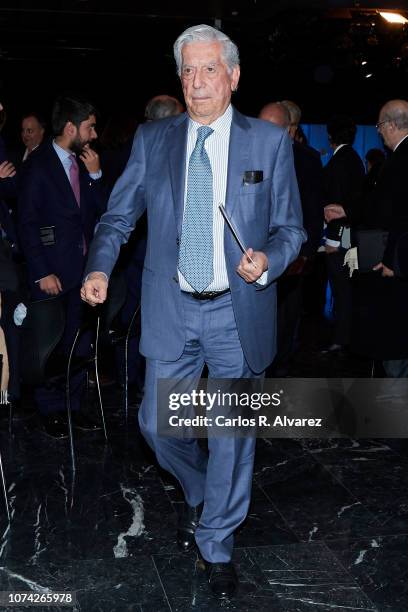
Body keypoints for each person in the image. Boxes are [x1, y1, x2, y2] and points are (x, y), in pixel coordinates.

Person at [81, 24, 304, 600]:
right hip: (171, 308)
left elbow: (291, 230)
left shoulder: (268, 142)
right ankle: (206, 489)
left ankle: (217, 543)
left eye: (209, 69)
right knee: (158, 426)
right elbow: (117, 216)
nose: (196, 81)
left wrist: (270, 260)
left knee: (233, 433)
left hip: (238, 312)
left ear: (232, 76)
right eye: (187, 70)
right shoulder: (155, 141)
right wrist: (100, 266)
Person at [18, 94, 105, 437]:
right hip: (52, 273)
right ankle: (50, 408)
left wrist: (96, 177)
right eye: (90, 127)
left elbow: (102, 214)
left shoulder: (85, 164)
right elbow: (26, 223)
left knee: (80, 342)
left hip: (84, 271)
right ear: (71, 127)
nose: (94, 134)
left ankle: (75, 405)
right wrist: (41, 271)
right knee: (52, 344)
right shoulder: (37, 166)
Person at [326, 100, 408, 376]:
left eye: (380, 126)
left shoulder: (402, 159)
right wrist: (346, 211)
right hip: (394, 258)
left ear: (391, 125)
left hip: (396, 263)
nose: (379, 132)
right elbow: (379, 204)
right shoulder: (397, 157)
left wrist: (392, 260)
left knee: (395, 335)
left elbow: (400, 214)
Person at [259, 101, 324, 374]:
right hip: (255, 251)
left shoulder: (306, 158)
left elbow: (311, 206)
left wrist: (306, 251)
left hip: (292, 250)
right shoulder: (250, 152)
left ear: (290, 129)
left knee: (286, 312)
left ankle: (280, 366)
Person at [322, 115, 365, 353]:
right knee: (345, 286)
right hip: (349, 234)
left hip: (341, 235)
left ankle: (341, 338)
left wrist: (333, 241)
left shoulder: (340, 162)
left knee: (342, 288)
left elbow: (337, 209)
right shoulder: (354, 159)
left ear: (330, 136)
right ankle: (345, 336)